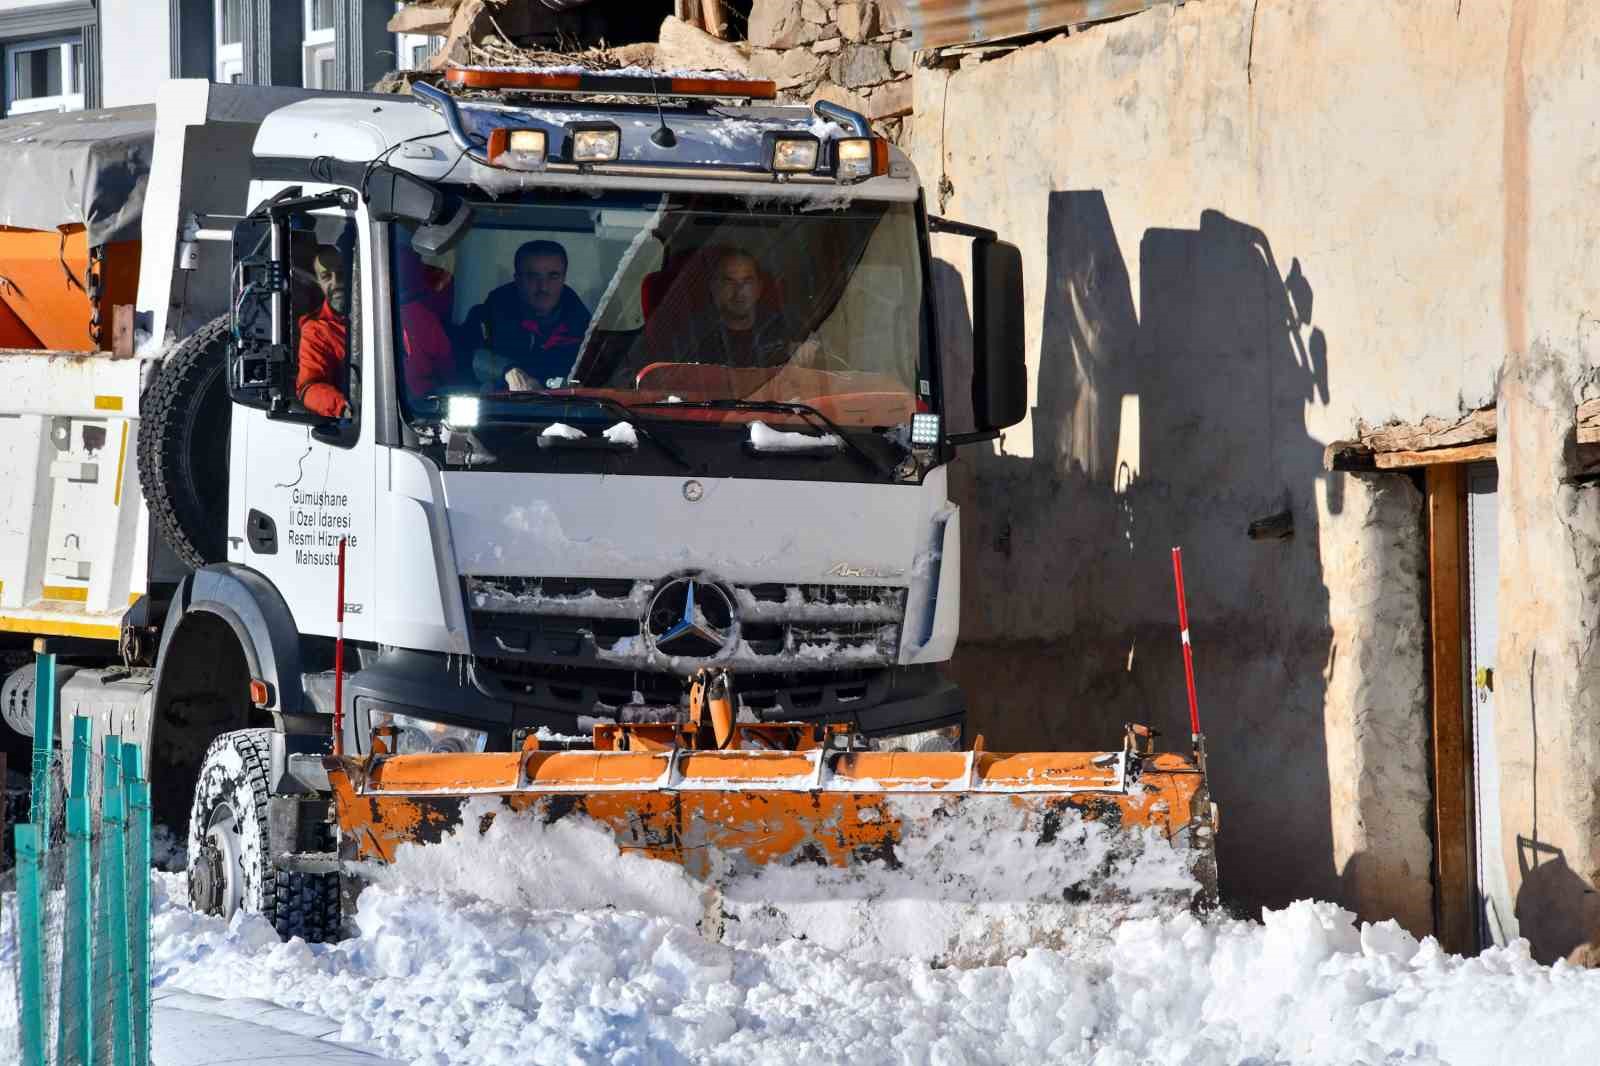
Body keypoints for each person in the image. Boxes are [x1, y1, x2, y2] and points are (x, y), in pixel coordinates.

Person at [460, 239, 591, 391]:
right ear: (517, 279)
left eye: (553, 276)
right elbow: (465, 356)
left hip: (564, 405)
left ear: (564, 277)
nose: (543, 287)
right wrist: (508, 371)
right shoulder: (488, 316)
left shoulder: (584, 327)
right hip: (498, 404)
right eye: (532, 276)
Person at [665, 248, 797, 370]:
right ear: (715, 288)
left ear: (759, 288)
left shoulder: (781, 327)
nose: (739, 291)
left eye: (747, 282)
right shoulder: (694, 338)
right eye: (729, 282)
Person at [296, 244, 352, 419]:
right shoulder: (316, 330)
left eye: (342, 273)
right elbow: (309, 388)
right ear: (319, 283)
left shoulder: (389, 310)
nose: (336, 282)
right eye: (326, 276)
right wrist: (344, 408)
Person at [394, 245, 458, 400]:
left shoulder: (426, 318)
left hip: (421, 402)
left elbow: (447, 370)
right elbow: (448, 372)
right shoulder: (423, 317)